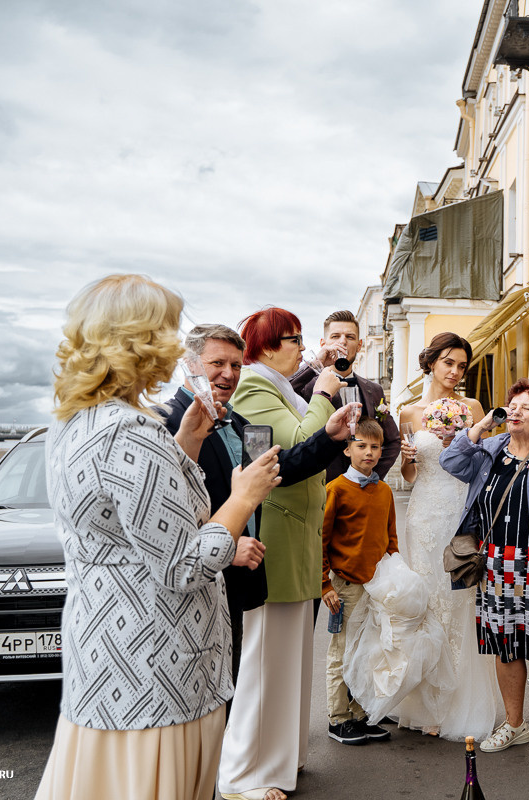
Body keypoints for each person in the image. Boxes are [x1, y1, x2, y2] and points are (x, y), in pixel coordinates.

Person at [37, 274, 281, 800]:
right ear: (143, 341)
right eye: (169, 329)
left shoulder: (74, 422)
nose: (176, 342)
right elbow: (181, 566)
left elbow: (132, 526)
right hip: (158, 665)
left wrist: (187, 440)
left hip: (104, 660)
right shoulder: (130, 430)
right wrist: (243, 499)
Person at [154, 324, 352, 697]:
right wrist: (227, 550)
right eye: (217, 363)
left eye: (235, 364)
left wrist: (329, 437)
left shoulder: (237, 421)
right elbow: (164, 520)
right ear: (189, 363)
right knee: (201, 692)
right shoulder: (164, 421)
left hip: (239, 579)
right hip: (199, 579)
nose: (228, 374)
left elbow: (279, 470)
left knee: (229, 685)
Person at [218, 307, 346, 800]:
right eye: (292, 339)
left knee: (291, 659)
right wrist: (322, 396)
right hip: (274, 538)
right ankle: (244, 773)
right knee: (264, 660)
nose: (301, 347)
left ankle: (283, 760)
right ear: (268, 345)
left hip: (297, 537)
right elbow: (292, 445)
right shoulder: (256, 386)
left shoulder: (282, 387)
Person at [439, 379, 529, 766]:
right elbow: (451, 462)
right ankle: (514, 724)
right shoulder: (491, 449)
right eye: (511, 405)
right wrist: (479, 428)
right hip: (494, 561)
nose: (514, 412)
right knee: (505, 643)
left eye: (524, 406)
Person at [392, 332, 500, 740]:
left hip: (462, 509)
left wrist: (465, 443)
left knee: (463, 600)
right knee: (430, 601)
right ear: (431, 363)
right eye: (448, 363)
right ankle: (428, 703)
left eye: (461, 366)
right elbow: (409, 478)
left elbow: (488, 462)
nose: (455, 372)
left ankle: (462, 700)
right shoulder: (407, 412)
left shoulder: (473, 408)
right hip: (424, 512)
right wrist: (406, 461)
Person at [320, 416, 398, 746]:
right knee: (342, 653)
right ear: (348, 448)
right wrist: (324, 583)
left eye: (375, 447)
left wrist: (394, 577)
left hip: (376, 586)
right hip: (345, 586)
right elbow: (321, 538)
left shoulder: (384, 491)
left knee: (368, 652)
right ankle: (338, 718)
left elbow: (390, 538)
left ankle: (359, 714)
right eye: (361, 446)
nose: (368, 452)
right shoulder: (336, 489)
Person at [290, 310, 400, 483]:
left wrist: (372, 475)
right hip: (321, 488)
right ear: (323, 343)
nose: (342, 342)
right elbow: (284, 390)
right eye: (335, 336)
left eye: (350, 337)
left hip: (364, 491)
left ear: (359, 345)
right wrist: (316, 363)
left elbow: (393, 440)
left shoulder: (375, 390)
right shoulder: (308, 386)